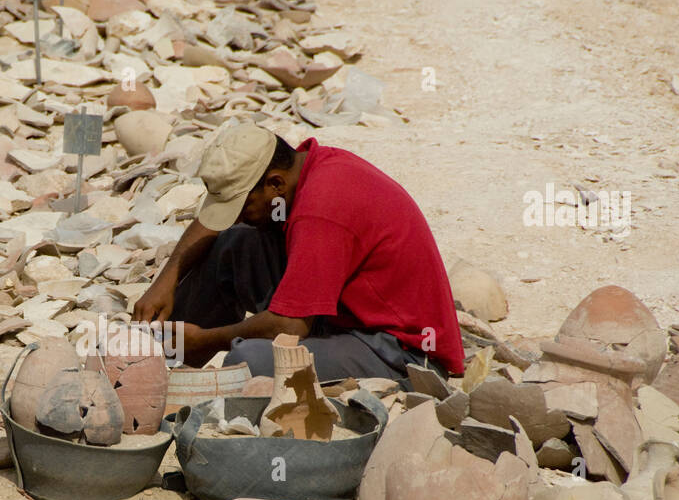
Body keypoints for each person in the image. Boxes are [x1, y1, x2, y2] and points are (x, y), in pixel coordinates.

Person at [132, 122, 464, 381]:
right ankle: (156, 367)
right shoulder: (304, 166)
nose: (235, 216)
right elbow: (213, 225)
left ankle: (184, 353)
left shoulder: (321, 209)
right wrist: (167, 278)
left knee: (249, 362)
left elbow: (290, 327)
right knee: (231, 243)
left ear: (275, 184)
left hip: (398, 351)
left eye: (242, 205)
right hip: (339, 313)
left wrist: (207, 339)